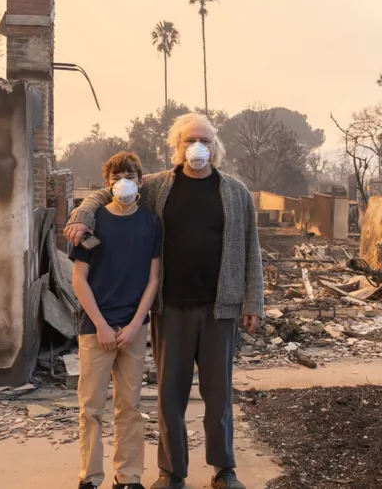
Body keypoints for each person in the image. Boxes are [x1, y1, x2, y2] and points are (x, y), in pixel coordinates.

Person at [65, 113, 264, 489]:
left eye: (204, 139)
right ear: (177, 147)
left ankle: (224, 469)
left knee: (218, 394)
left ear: (215, 146)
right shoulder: (158, 186)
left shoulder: (235, 192)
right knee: (170, 396)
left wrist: (252, 302)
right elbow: (107, 191)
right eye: (189, 140)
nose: (197, 147)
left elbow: (251, 248)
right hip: (170, 307)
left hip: (219, 308)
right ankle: (172, 472)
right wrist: (82, 215)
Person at [71, 151, 163, 489]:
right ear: (107, 183)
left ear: (140, 181)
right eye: (116, 177)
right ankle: (90, 477)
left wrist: (137, 324)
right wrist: (100, 325)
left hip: (133, 330)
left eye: (130, 176)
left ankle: (129, 477)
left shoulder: (151, 224)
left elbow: (153, 279)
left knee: (130, 408)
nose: (123, 182)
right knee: (91, 409)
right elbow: (79, 279)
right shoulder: (92, 224)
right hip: (96, 328)